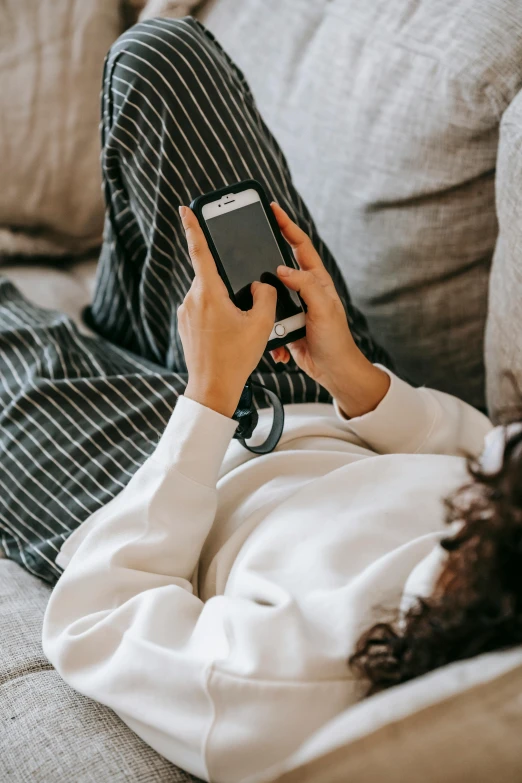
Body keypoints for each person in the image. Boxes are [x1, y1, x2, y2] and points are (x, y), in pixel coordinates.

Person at [0, 16, 519, 783]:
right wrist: (354, 378)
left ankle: (140, 334)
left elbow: (98, 620)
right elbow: (481, 449)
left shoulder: (294, 695)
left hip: (133, 492)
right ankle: (144, 323)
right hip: (307, 377)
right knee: (162, 59)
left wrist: (207, 396)